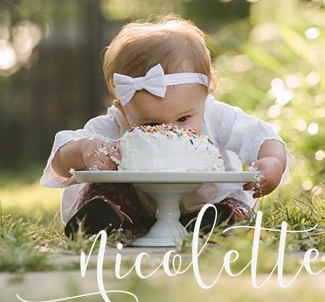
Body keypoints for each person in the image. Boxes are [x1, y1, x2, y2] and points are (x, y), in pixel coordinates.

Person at [44, 16, 289, 238]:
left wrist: (271, 161)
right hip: (139, 206)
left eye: (183, 119)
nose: (171, 131)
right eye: (152, 124)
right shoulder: (115, 125)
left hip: (209, 200)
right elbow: (61, 157)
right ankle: (107, 220)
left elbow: (260, 136)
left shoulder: (215, 115)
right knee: (105, 189)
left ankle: (213, 223)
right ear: (124, 111)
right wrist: (85, 149)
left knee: (235, 206)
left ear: (205, 94)